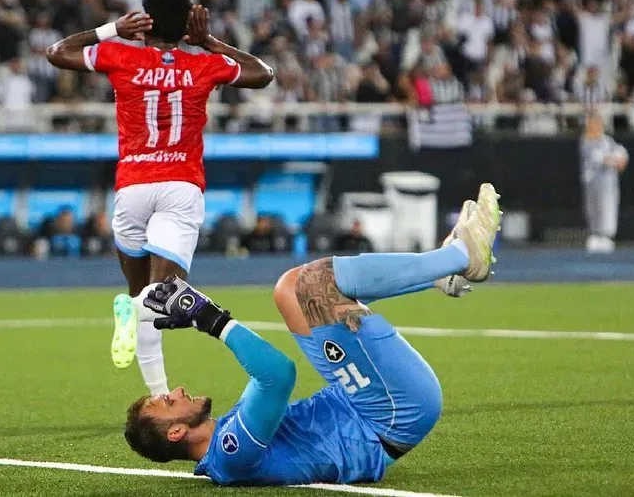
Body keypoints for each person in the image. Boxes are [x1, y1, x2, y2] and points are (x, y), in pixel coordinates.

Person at [123, 184, 502, 486]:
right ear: (175, 433)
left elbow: (270, 376)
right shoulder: (231, 451)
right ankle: (460, 256)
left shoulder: (225, 435)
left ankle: (438, 273)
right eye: (168, 402)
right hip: (389, 415)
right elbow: (277, 376)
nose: (175, 391)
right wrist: (209, 318)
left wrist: (200, 317)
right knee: (307, 286)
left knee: (293, 293)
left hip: (367, 403)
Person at [45, 0, 274, 396]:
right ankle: (135, 317)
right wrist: (208, 41)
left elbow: (57, 51)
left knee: (144, 295)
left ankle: (159, 393)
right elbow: (263, 74)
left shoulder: (122, 56)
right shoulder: (204, 65)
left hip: (132, 186)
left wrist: (113, 29)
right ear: (186, 25)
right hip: (180, 187)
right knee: (159, 300)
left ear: (145, 23)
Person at [580, 112, 628, 253]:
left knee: (609, 208)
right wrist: (615, 160)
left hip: (608, 184)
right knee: (594, 208)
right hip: (593, 182)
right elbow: (600, 159)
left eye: (598, 124)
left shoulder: (607, 140)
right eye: (592, 124)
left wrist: (620, 159)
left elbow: (622, 152)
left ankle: (607, 236)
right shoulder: (585, 141)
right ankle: (595, 235)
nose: (595, 126)